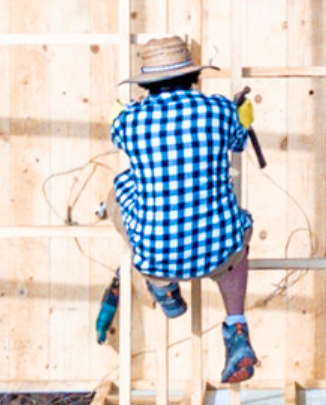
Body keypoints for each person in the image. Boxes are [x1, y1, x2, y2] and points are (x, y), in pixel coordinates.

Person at [108, 36, 260, 384]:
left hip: (156, 254)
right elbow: (239, 140)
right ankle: (236, 327)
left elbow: (117, 135)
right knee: (239, 234)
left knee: (120, 191)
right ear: (193, 77)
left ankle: (162, 285)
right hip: (217, 251)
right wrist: (243, 118)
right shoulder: (219, 109)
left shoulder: (130, 120)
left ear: (146, 84)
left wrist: (120, 116)